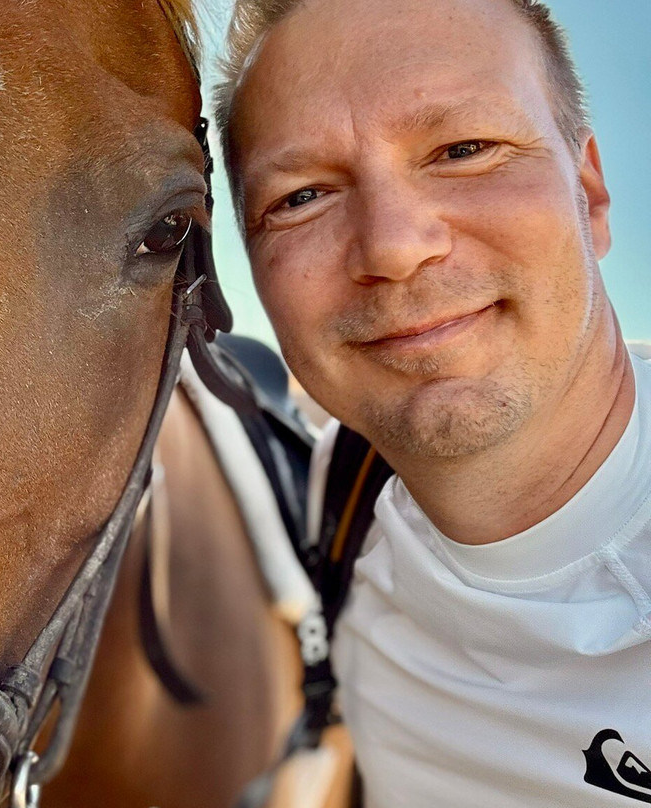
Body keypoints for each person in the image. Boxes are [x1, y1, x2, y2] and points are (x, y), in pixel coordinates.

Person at [214, 0, 651, 805]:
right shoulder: (343, 507)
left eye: (464, 149)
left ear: (589, 196)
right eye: (302, 196)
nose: (392, 245)